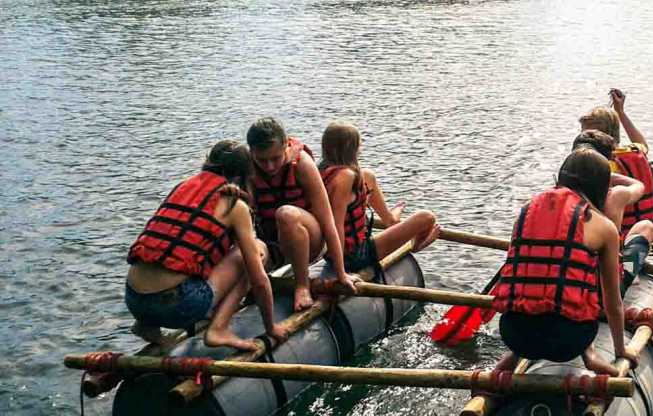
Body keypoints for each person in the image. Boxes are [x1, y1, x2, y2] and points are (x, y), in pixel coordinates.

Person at [126, 140, 288, 351]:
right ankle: (218, 330)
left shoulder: (183, 187)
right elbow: (258, 280)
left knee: (180, 250)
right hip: (177, 306)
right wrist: (271, 327)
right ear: (243, 176)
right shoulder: (234, 204)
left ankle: (146, 326)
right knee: (257, 251)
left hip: (133, 300)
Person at [492, 148, 637, 376]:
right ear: (600, 188)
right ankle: (589, 355)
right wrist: (621, 350)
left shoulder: (526, 211)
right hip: (569, 341)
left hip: (514, 335)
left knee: (539, 283)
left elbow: (520, 278)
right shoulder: (604, 227)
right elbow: (612, 301)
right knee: (577, 289)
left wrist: (516, 346)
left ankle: (512, 358)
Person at [247, 117, 351, 312]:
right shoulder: (247, 170)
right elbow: (245, 225)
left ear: (287, 145)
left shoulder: (301, 163)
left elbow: (328, 222)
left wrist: (341, 273)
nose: (270, 167)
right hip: (274, 247)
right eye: (262, 160)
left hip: (309, 240)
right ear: (251, 152)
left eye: (276, 158)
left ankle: (301, 286)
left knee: (286, 214)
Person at [319, 121, 440, 273]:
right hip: (352, 256)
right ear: (352, 148)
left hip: (335, 253)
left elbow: (386, 220)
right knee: (426, 217)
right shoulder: (344, 178)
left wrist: (393, 214)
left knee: (368, 177)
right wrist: (341, 272)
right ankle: (415, 244)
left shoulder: (320, 173)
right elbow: (336, 227)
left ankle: (397, 226)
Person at [578, 91, 653, 271]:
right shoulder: (634, 151)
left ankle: (621, 271)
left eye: (589, 133)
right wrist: (621, 112)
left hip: (616, 241)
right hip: (641, 231)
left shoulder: (605, 167)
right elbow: (643, 144)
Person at [570, 129, 649, 293]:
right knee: (646, 227)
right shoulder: (615, 196)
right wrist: (610, 176)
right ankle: (630, 274)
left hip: (570, 275)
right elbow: (639, 187)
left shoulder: (556, 197)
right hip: (605, 284)